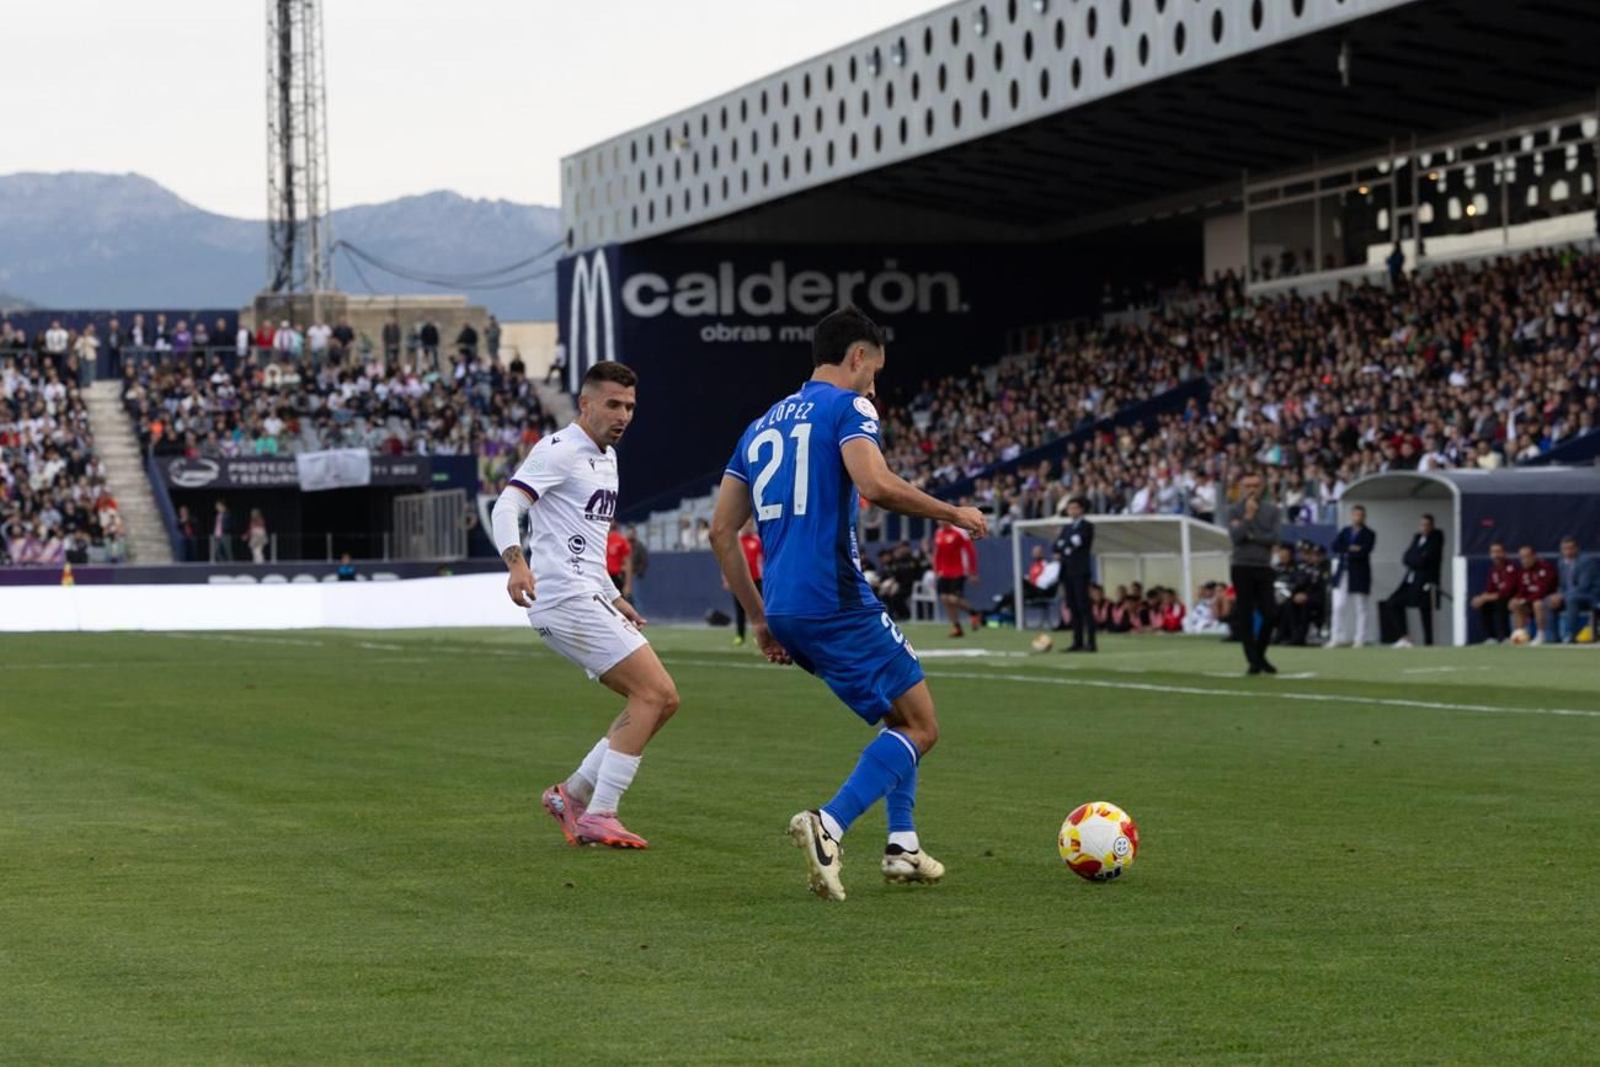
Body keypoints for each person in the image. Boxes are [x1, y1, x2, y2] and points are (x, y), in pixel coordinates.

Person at [708, 304, 988, 901]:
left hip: (785, 605)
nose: (874, 388)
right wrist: (953, 513)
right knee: (922, 725)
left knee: (899, 718)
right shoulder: (848, 406)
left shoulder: (759, 426)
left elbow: (720, 531)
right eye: (874, 372)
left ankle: (903, 845)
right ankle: (828, 826)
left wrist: (758, 617)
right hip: (835, 596)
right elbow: (876, 484)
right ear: (857, 356)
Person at [491, 360, 674, 850]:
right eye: (613, 404)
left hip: (588, 594)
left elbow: (585, 542)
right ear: (586, 404)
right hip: (562, 597)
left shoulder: (606, 458)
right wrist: (516, 562)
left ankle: (570, 796)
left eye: (631, 406)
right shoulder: (559, 450)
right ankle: (600, 812)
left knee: (663, 701)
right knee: (653, 694)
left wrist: (615, 596)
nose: (623, 415)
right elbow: (507, 505)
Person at [1227, 471, 1281, 675]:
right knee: (1245, 615)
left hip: (1263, 567)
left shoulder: (1272, 511)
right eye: (1247, 486)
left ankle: (1259, 654)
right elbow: (1235, 537)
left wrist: (1250, 534)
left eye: (1255, 486)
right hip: (1241, 567)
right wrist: (1248, 518)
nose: (1251, 490)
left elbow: (1274, 537)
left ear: (1262, 488)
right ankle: (1253, 661)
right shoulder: (1235, 510)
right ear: (1242, 487)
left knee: (1270, 614)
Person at [1380, 513, 1443, 647]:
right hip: (1410, 582)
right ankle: (1404, 637)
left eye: (1427, 525)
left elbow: (1424, 559)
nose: (1424, 528)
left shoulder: (1437, 537)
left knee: (1426, 613)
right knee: (1392, 603)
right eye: (1422, 525)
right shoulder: (1417, 538)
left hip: (1425, 583)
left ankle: (1429, 643)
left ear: (1432, 526)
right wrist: (1417, 558)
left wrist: (1416, 558)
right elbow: (1406, 557)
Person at [1326, 504, 1375, 647]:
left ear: (1364, 517)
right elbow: (1335, 546)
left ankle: (1360, 638)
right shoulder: (1345, 531)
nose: (1357, 518)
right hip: (1343, 572)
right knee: (1339, 606)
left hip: (1359, 573)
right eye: (1355, 515)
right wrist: (1350, 548)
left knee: (1361, 606)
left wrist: (1349, 550)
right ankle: (1336, 637)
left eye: (1360, 515)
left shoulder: (1369, 534)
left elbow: (1364, 551)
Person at [1053, 495, 1096, 652]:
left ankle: (1091, 642)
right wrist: (1066, 546)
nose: (1071, 511)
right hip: (1067, 571)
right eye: (1070, 508)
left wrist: (1065, 545)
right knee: (1073, 607)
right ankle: (1077, 641)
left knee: (1084, 606)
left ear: (1081, 509)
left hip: (1080, 571)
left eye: (1074, 508)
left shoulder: (1086, 526)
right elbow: (1056, 546)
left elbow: (1076, 542)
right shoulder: (1067, 527)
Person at [931, 517, 980, 638]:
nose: (941, 521)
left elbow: (970, 551)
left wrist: (973, 572)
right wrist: (936, 570)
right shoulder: (938, 533)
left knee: (953, 599)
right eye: (939, 519)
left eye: (943, 518)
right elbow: (938, 553)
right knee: (944, 599)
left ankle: (974, 613)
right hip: (944, 572)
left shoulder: (959, 532)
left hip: (959, 570)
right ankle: (957, 628)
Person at [1551, 536, 1600, 643]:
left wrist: (1562, 596)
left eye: (1570, 548)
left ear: (1576, 548)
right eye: (1564, 549)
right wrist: (1557, 595)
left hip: (1590, 596)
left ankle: (1571, 635)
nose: (1567, 552)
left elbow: (1584, 586)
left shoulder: (1585, 561)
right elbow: (1562, 585)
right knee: (1549, 601)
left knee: (1571, 599)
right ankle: (1554, 637)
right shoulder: (1561, 563)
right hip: (1571, 595)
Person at [1508, 544, 1558, 644]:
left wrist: (1525, 600)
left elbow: (1542, 591)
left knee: (1537, 604)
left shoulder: (1546, 568)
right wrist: (1517, 599)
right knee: (1514, 604)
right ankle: (1520, 635)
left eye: (1527, 557)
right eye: (1522, 558)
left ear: (1534, 556)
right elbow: (1521, 591)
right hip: (1530, 601)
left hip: (1547, 600)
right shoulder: (1522, 571)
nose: (1525, 560)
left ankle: (1541, 635)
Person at [1470, 541, 1518, 644]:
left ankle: (1505, 636)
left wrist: (1485, 597)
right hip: (1497, 598)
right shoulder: (1493, 570)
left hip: (1512, 598)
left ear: (1504, 553)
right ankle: (1491, 637)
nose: (1496, 555)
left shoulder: (1511, 568)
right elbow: (1490, 589)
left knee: (1501, 603)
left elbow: (1507, 591)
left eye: (1498, 551)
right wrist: (1480, 598)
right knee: (1485, 605)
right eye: (1493, 552)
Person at [727, 519, 764, 646]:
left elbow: (762, 558)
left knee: (760, 609)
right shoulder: (737, 541)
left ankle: (761, 634)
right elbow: (728, 561)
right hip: (740, 580)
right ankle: (740, 635)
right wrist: (727, 578)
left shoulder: (757, 540)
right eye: (746, 525)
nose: (748, 527)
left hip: (756, 579)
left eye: (750, 525)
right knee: (740, 610)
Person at [605, 520, 633, 599]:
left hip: (615, 577)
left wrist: (627, 585)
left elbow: (628, 563)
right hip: (600, 577)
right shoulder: (598, 538)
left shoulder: (620, 541)